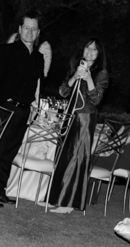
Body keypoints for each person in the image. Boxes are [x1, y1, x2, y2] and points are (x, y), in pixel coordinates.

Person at [0, 11, 44, 208]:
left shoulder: (39, 58)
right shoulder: (5, 51)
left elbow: (34, 86)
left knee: (9, 153)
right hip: (6, 108)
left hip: (24, 111)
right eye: (26, 28)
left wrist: (34, 106)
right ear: (19, 29)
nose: (29, 32)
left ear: (38, 32)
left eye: (34, 29)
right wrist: (0, 107)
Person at [46, 37, 108, 213]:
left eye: (94, 49)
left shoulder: (101, 73)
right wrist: (75, 76)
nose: (89, 52)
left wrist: (88, 79)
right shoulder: (76, 66)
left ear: (99, 53)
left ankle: (68, 202)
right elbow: (63, 91)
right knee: (62, 156)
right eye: (87, 48)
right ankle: (55, 197)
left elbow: (96, 99)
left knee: (76, 157)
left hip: (85, 119)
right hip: (70, 116)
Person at [93, 91, 130, 180]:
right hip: (115, 156)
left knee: (85, 160)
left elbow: (124, 141)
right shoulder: (128, 124)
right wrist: (103, 139)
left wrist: (100, 149)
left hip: (125, 161)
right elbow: (113, 141)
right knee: (86, 156)